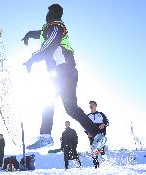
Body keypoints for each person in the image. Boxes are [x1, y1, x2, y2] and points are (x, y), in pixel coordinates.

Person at [22, 3, 101, 150]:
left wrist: (32, 60)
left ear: (53, 15)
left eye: (49, 13)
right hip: (68, 72)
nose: (47, 16)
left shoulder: (56, 27)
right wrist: (28, 34)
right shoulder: (47, 30)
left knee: (47, 98)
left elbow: (49, 46)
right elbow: (38, 33)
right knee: (70, 108)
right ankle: (97, 135)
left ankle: (46, 136)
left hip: (63, 70)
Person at [86, 101, 109, 168]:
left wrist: (104, 124)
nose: (91, 106)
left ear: (96, 105)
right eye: (90, 105)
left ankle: (106, 165)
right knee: (94, 152)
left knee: (102, 151)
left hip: (100, 135)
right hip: (92, 136)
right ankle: (96, 167)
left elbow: (107, 122)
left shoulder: (101, 114)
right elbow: (85, 126)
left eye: (92, 105)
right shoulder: (87, 116)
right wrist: (87, 133)